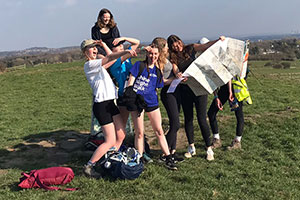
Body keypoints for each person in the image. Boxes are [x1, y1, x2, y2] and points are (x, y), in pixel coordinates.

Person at [81, 39, 136, 178]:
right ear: (84, 52)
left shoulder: (99, 66)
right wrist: (126, 51)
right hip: (102, 106)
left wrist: (104, 45)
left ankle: (108, 159)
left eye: (95, 48)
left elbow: (112, 59)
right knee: (110, 140)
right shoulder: (89, 65)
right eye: (91, 48)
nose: (94, 50)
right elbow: (110, 57)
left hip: (110, 103)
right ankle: (90, 165)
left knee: (121, 135)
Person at [167, 34, 225, 161]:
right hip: (185, 89)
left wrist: (218, 40)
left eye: (177, 42)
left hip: (199, 89)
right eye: (173, 45)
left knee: (202, 118)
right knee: (188, 119)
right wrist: (179, 75)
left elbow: (205, 46)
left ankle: (209, 148)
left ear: (180, 40)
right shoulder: (173, 57)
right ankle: (191, 146)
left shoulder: (191, 48)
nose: (177, 46)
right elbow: (176, 70)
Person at [125, 44, 177, 170]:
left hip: (152, 102)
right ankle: (140, 157)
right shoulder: (139, 65)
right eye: (151, 53)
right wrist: (132, 96)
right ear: (147, 54)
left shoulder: (157, 71)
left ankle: (168, 157)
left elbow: (162, 83)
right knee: (139, 133)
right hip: (138, 103)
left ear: (158, 55)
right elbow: (130, 82)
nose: (152, 56)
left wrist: (176, 78)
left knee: (159, 130)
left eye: (155, 54)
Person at [151, 37, 184, 163]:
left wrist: (177, 73)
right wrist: (174, 80)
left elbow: (174, 66)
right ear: (161, 47)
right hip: (168, 92)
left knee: (174, 122)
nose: (168, 48)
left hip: (176, 90)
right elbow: (160, 81)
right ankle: (164, 153)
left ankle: (172, 152)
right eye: (165, 46)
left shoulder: (167, 57)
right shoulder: (157, 62)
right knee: (175, 124)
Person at [207, 79, 245, 150]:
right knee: (211, 112)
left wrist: (230, 91)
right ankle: (216, 139)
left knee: (239, 114)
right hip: (224, 88)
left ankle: (237, 141)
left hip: (236, 88)